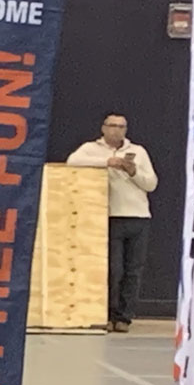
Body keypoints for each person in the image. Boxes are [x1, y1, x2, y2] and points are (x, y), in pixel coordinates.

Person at [66, 112, 158, 332]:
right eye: (113, 126)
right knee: (112, 269)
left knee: (133, 271)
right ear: (104, 128)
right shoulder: (91, 148)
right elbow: (72, 162)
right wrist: (107, 162)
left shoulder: (138, 151)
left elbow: (151, 183)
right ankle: (107, 313)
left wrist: (133, 171)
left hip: (138, 216)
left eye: (122, 127)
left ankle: (124, 317)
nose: (117, 130)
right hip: (108, 216)